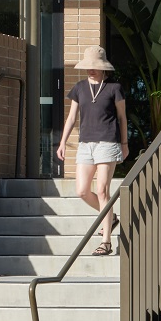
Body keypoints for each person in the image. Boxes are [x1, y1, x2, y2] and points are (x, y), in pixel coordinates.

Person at [56, 45, 127, 256]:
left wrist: (124, 144)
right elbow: (71, 118)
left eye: (94, 66)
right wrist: (62, 142)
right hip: (85, 144)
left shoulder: (114, 88)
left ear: (104, 68)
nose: (90, 70)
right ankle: (111, 218)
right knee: (82, 191)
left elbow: (122, 118)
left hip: (108, 142)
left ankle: (106, 242)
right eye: (88, 67)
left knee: (103, 190)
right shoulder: (79, 88)